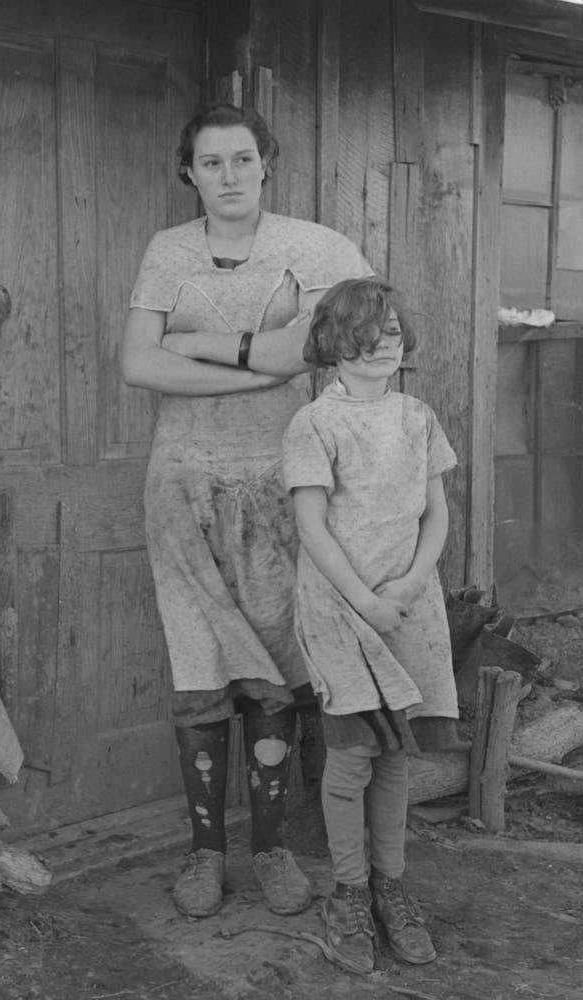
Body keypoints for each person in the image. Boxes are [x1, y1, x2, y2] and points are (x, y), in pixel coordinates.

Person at [122, 103, 374, 919]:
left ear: (266, 163)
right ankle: (205, 857)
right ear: (188, 172)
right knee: (198, 670)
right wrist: (261, 371)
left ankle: (268, 850)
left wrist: (200, 346)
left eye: (241, 160)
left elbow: (330, 344)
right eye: (210, 162)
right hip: (182, 485)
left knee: (272, 673)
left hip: (279, 483)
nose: (228, 176)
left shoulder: (318, 249)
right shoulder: (169, 251)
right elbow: (137, 364)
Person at [281, 277, 459, 973]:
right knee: (353, 755)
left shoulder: (418, 418)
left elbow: (436, 512)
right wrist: (364, 599)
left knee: (394, 755)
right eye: (364, 334)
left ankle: (391, 886)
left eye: (390, 332)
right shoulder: (315, 425)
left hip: (408, 606)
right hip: (339, 608)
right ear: (333, 342)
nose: (380, 345)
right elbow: (312, 527)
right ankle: (348, 894)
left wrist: (411, 584)